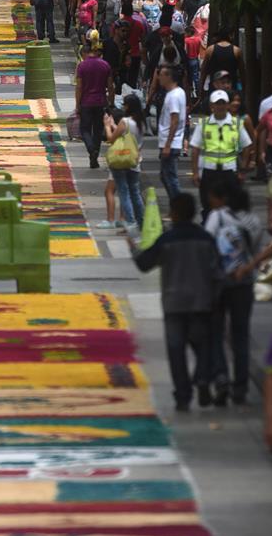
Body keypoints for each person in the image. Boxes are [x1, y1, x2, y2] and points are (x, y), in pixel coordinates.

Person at [132, 192, 222, 410]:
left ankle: (183, 395)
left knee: (176, 350)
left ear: (173, 214)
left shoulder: (167, 239)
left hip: (174, 302)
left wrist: (133, 249)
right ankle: (202, 379)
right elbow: (217, 271)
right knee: (202, 346)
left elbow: (144, 264)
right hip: (201, 301)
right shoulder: (205, 238)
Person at [204, 177, 261, 406]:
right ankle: (241, 387)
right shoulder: (253, 220)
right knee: (240, 335)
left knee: (216, 333)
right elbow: (255, 251)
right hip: (244, 282)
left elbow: (208, 245)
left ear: (223, 198)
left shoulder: (216, 217)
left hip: (219, 282)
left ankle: (221, 378)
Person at [190, 89, 252, 217]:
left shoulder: (236, 124)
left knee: (231, 206)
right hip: (209, 171)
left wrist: (243, 170)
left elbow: (247, 146)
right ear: (211, 106)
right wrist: (195, 172)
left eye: (223, 103)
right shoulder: (204, 124)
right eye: (217, 103)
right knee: (208, 206)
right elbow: (195, 149)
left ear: (228, 105)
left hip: (229, 171)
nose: (220, 106)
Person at [103, 93, 145, 230]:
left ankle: (130, 221)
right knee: (135, 191)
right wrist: (115, 125)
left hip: (122, 160)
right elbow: (126, 136)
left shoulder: (125, 122)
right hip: (135, 160)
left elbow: (111, 138)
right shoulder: (140, 123)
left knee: (123, 192)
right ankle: (140, 219)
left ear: (128, 106)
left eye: (124, 104)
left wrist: (107, 126)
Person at [75, 43, 114, 168]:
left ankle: (91, 149)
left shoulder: (82, 66)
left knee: (85, 129)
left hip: (86, 102)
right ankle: (94, 158)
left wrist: (77, 104)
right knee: (97, 130)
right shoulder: (105, 64)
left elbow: (79, 87)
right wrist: (111, 103)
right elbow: (110, 87)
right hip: (100, 101)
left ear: (84, 53)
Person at [156, 66, 186, 201]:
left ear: (169, 77)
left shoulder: (174, 96)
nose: (159, 78)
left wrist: (168, 144)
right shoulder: (176, 93)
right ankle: (176, 207)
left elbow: (174, 120)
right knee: (165, 175)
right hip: (170, 141)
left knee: (170, 177)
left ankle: (178, 208)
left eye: (161, 75)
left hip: (171, 142)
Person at [198, 26, 245, 98]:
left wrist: (201, 90)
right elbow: (242, 72)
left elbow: (203, 71)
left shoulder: (210, 50)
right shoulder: (236, 50)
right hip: (231, 88)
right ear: (230, 35)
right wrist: (244, 90)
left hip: (215, 87)